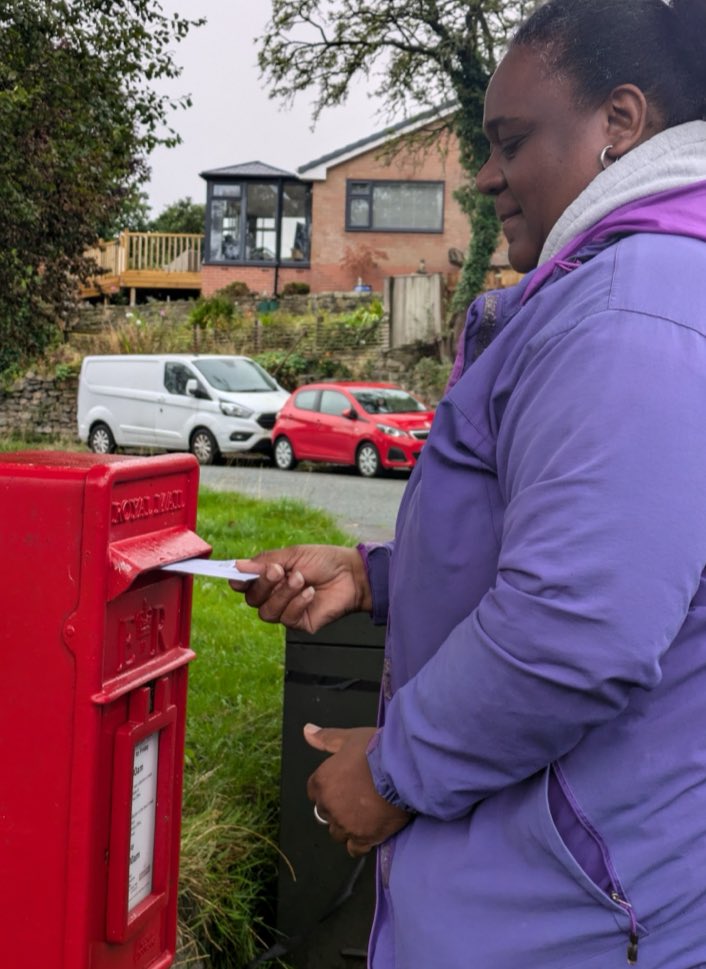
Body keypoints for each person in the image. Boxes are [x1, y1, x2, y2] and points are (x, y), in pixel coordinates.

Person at [230, 1, 706, 965]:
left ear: (620, 123)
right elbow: (569, 543)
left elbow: (577, 624)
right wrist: (377, 575)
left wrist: (394, 773)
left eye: (510, 140)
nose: (485, 175)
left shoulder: (632, 313)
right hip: (536, 889)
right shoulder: (612, 295)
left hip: (564, 913)